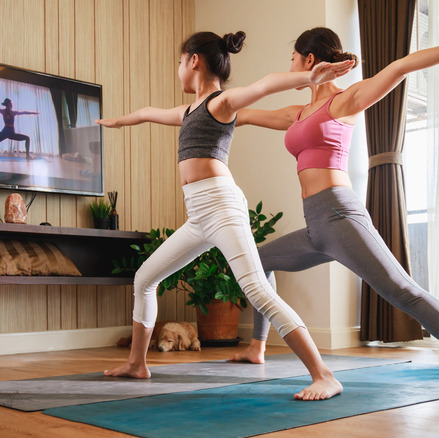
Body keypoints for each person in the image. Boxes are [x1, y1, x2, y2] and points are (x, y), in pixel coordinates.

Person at [230, 13, 439, 399]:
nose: (291, 66)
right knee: (258, 261)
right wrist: (200, 106)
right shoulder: (297, 113)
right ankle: (257, 347)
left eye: (293, 58)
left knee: (403, 291)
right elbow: (238, 113)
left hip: (339, 215)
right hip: (316, 225)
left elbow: (401, 66)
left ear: (309, 60)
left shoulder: (345, 100)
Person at [95, 30, 354, 400]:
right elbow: (149, 113)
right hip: (198, 214)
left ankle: (324, 375)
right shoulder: (188, 111)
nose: (178, 70)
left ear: (193, 60)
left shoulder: (222, 102)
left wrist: (310, 77)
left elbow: (265, 85)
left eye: (179, 62)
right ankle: (137, 364)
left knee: (257, 291)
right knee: (145, 279)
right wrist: (118, 121)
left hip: (221, 207)